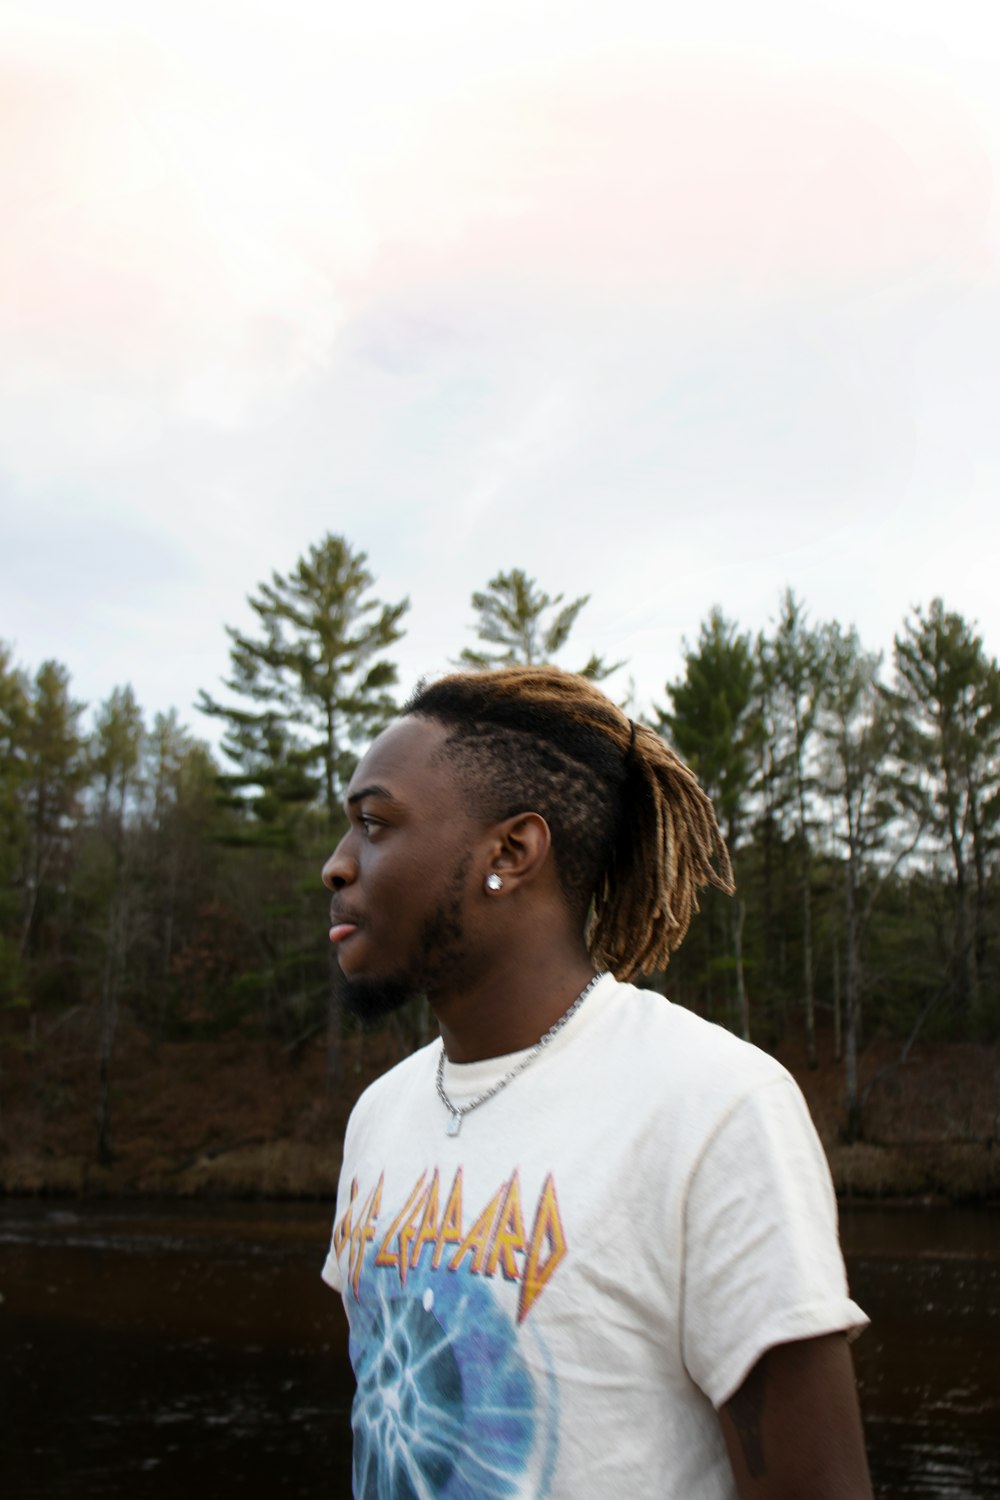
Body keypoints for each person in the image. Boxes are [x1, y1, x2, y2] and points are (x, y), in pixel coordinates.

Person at [320, 665, 872, 1500]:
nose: (336, 865)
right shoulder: (380, 1116)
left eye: (373, 824)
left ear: (511, 851)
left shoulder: (714, 1107)